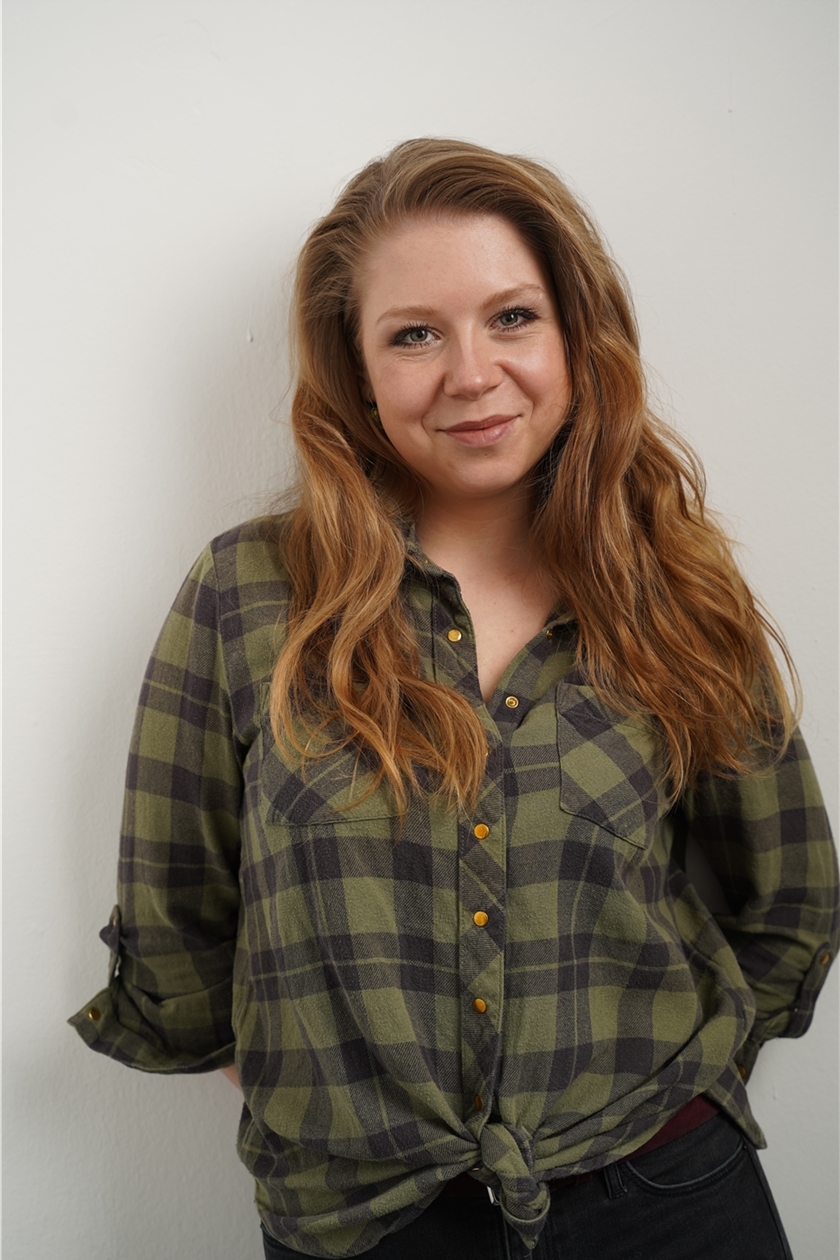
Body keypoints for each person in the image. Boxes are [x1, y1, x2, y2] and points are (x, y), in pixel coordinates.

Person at [70, 138, 838, 1260]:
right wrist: (340, 1114)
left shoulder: (673, 589)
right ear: (358, 370)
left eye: (512, 317)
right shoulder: (247, 597)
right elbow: (176, 922)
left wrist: (664, 1099)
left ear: (577, 334)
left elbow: (788, 896)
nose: (472, 374)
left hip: (668, 1197)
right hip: (366, 1225)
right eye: (415, 334)